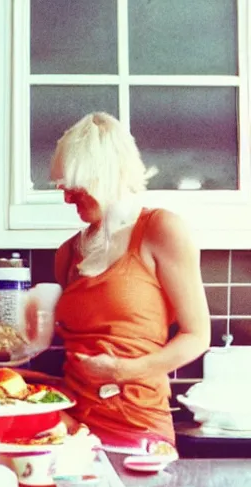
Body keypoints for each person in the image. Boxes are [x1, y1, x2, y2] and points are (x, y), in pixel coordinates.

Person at [40, 112, 210, 451]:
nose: (67, 199)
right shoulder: (67, 254)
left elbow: (197, 336)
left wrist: (121, 370)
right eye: (64, 188)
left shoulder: (161, 230)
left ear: (106, 177)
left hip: (139, 427)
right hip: (73, 431)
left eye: (76, 188)